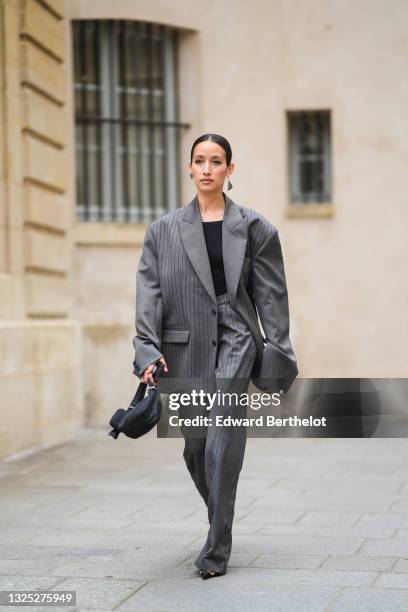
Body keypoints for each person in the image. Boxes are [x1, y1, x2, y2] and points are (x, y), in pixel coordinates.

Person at [133, 133, 298, 579]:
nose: (208, 169)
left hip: (236, 335)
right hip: (183, 343)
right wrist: (146, 349)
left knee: (222, 437)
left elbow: (271, 296)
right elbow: (149, 295)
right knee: (197, 448)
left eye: (217, 161)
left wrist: (278, 349)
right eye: (200, 161)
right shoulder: (162, 231)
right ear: (189, 168)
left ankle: (215, 550)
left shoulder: (256, 228)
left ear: (230, 169)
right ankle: (220, 514)